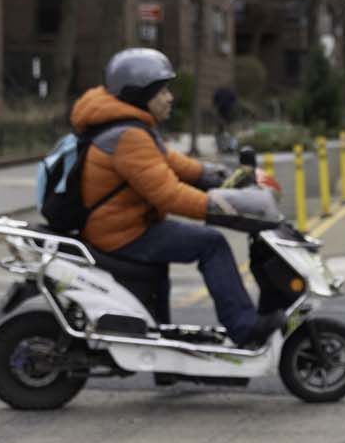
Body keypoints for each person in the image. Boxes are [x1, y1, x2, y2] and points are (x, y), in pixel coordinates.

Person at [71, 48, 283, 347]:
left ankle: (162, 348)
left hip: (123, 225)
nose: (170, 98)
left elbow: (176, 164)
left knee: (184, 247)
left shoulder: (130, 127)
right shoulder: (127, 136)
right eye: (162, 91)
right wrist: (221, 206)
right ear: (140, 94)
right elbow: (169, 195)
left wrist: (223, 177)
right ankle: (244, 328)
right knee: (211, 243)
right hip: (121, 233)